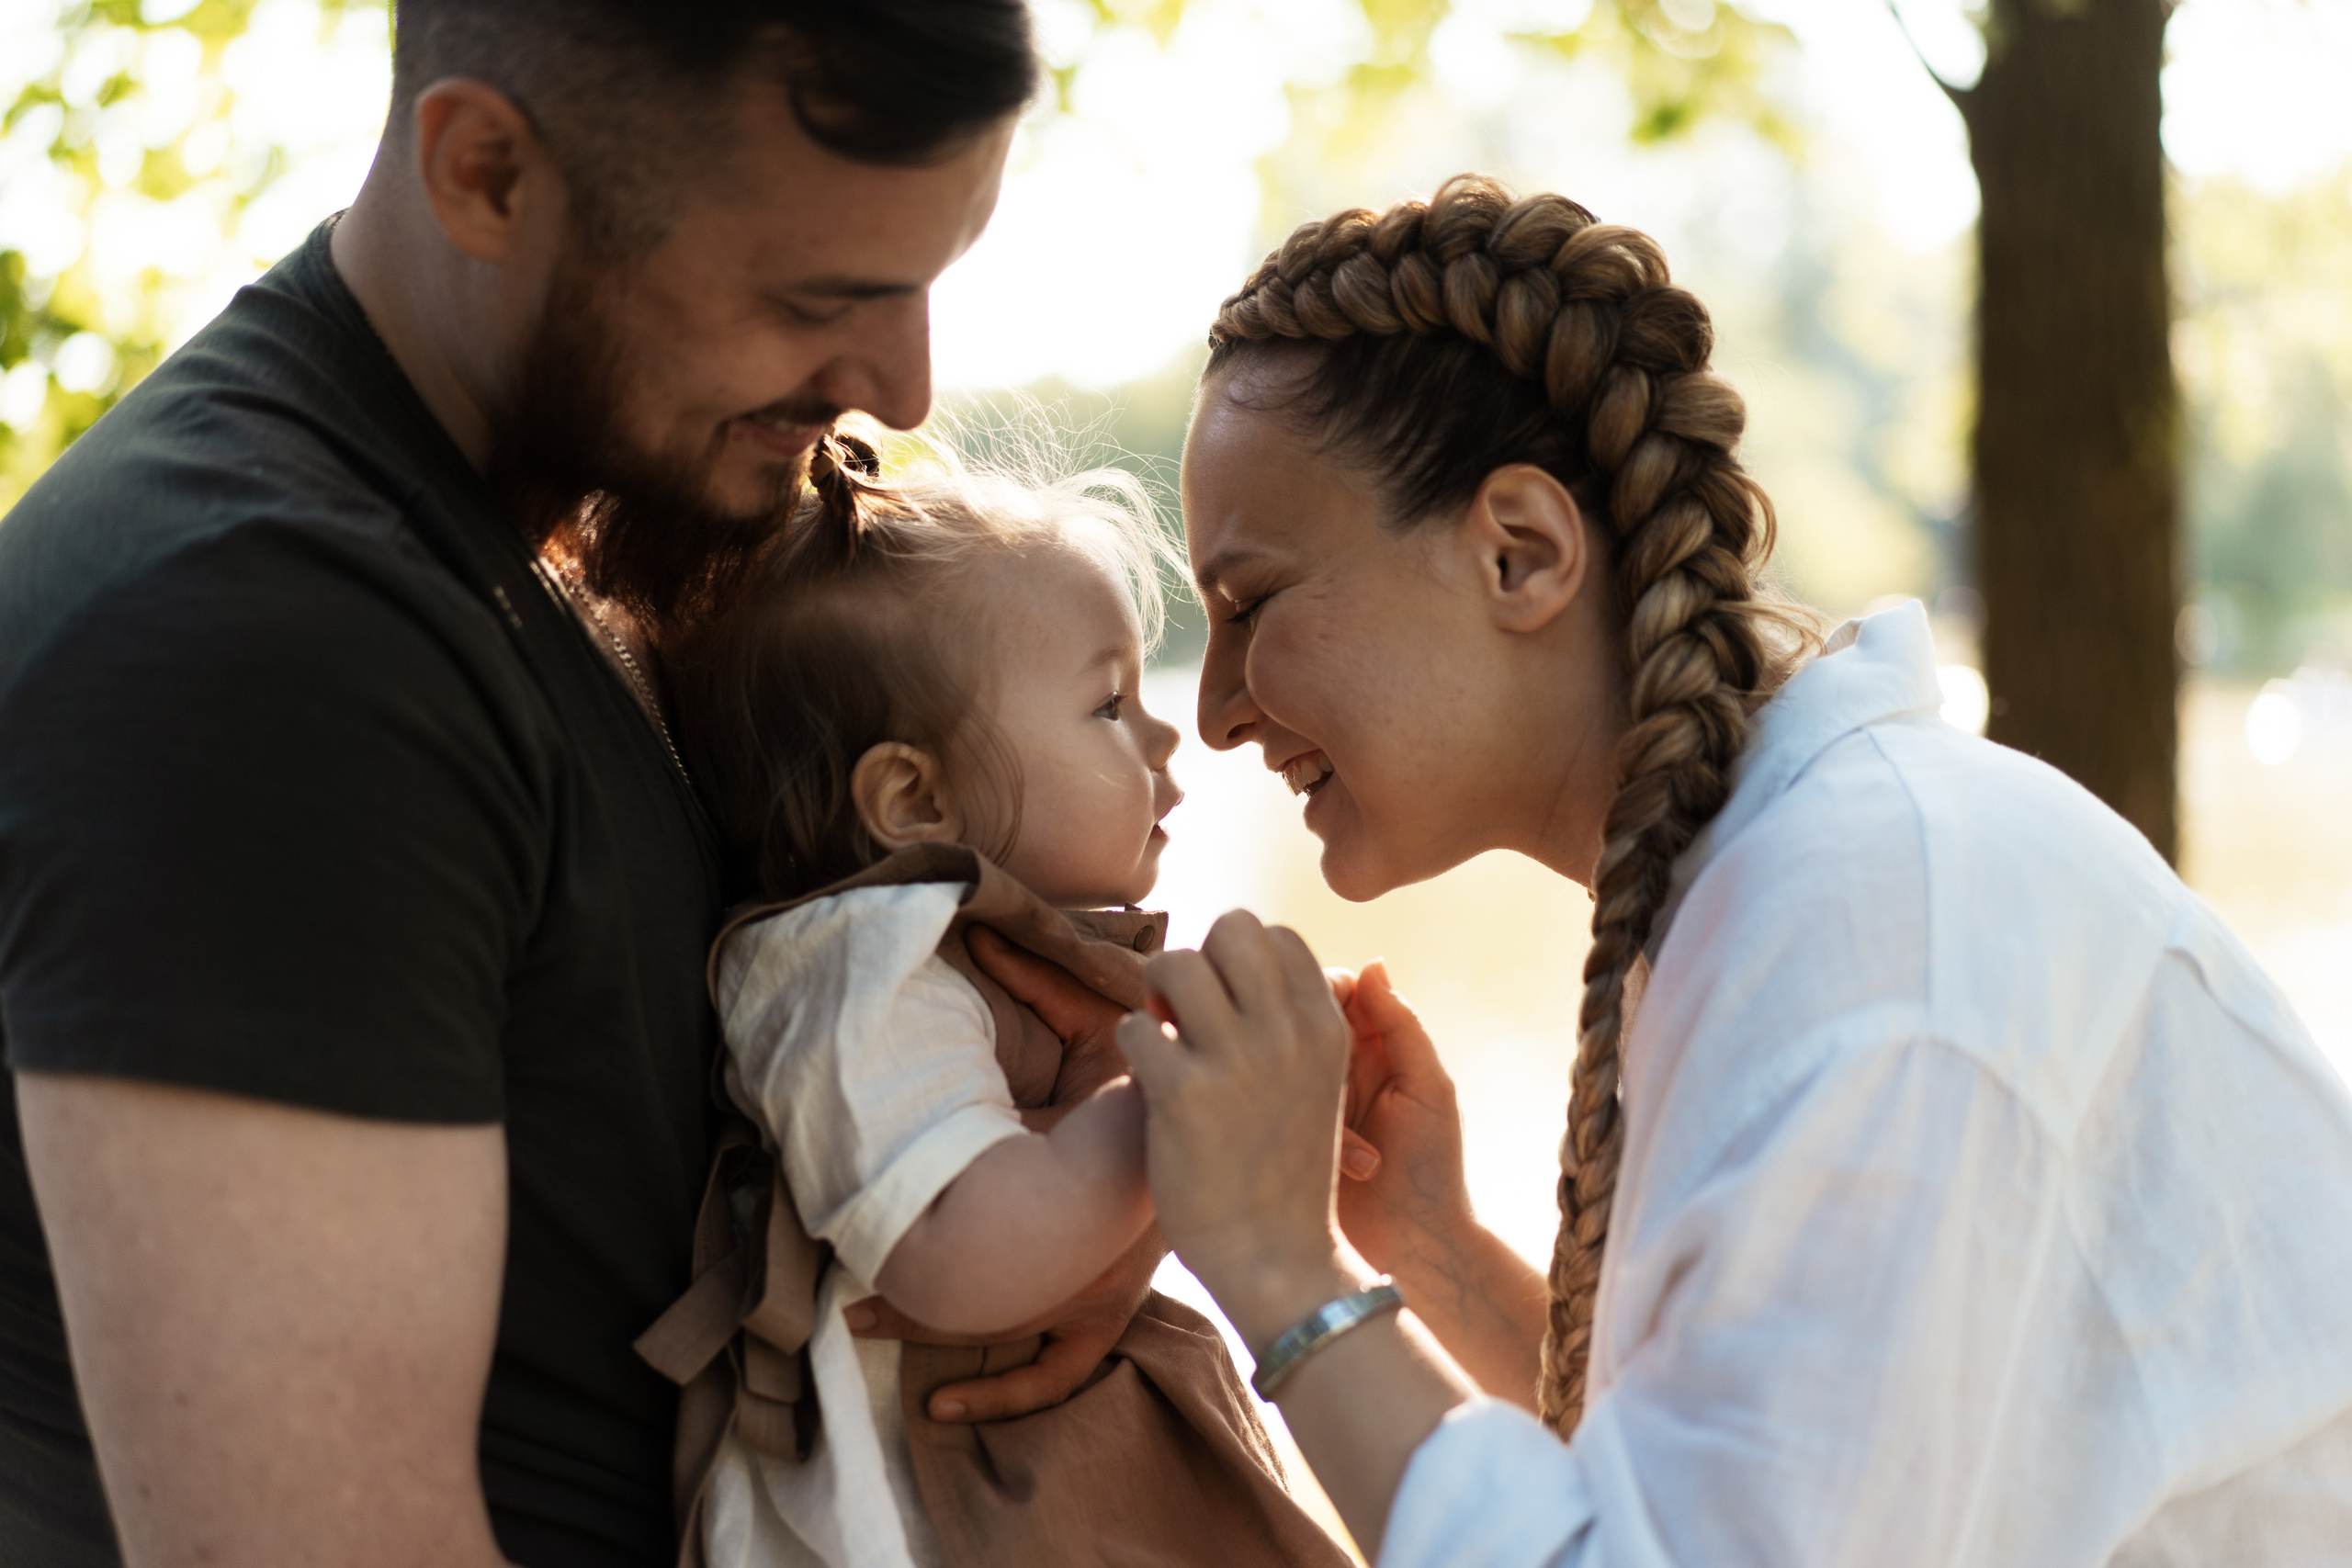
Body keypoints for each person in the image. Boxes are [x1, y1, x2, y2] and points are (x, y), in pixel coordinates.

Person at [980, 175, 2352, 1565]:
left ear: (1521, 552)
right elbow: (1704, 1490)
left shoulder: (1880, 928)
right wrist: (1431, 1248)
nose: (1212, 709)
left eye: (1252, 601)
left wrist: (1283, 1267)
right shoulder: (1784, 883)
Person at [0, 6, 1165, 1564]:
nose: (897, 384)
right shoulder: (262, 647)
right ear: (488, 173)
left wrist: (1028, 1233)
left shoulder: (598, 534)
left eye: (926, 282)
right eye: (819, 295)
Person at [655, 446, 1350, 1568]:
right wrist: (1170, 1100)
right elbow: (956, 1251)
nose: (1165, 735)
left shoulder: (972, 957)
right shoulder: (857, 967)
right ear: (914, 798)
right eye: (1109, 703)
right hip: (934, 1505)